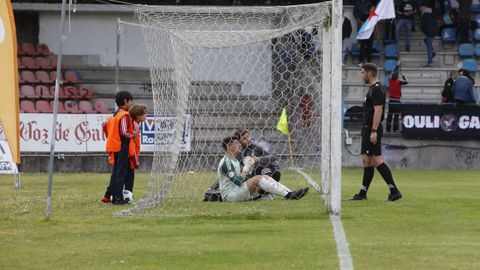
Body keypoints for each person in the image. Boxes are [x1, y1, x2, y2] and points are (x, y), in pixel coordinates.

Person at [351, 63, 403, 201]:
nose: (361, 76)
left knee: (376, 160)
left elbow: (378, 111)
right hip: (368, 128)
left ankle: (394, 191)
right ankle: (362, 193)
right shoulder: (372, 89)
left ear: (369, 73)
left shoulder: (377, 89)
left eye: (362, 73)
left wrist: (373, 130)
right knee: (367, 161)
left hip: (371, 129)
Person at [218, 136, 309, 202]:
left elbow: (247, 176)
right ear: (229, 146)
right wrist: (246, 168)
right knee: (257, 178)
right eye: (236, 143)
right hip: (229, 195)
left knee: (265, 176)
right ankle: (288, 195)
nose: (239, 145)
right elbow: (238, 182)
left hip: (237, 190)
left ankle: (291, 193)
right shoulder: (226, 162)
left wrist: (250, 166)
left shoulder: (235, 161)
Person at [100, 90, 136, 205]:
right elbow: (125, 132)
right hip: (121, 146)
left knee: (116, 173)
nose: (131, 104)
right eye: (131, 102)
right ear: (125, 101)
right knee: (121, 173)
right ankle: (118, 198)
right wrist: (133, 134)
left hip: (114, 146)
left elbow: (105, 127)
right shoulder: (124, 115)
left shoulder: (114, 114)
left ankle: (112, 196)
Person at [386, 61, 408, 132]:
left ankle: (388, 129)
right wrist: (403, 75)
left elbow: (392, 72)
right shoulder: (398, 82)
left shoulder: (390, 81)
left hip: (391, 101)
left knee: (389, 115)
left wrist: (397, 66)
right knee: (396, 116)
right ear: (397, 77)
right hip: (397, 101)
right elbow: (406, 81)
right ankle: (395, 129)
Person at [354, 0, 374, 66]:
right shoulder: (365, 15)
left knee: (369, 48)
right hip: (364, 35)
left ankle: (368, 62)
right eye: (372, 8)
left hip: (371, 35)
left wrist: (377, 34)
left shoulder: (374, 16)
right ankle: (361, 62)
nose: (373, 9)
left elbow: (375, 26)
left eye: (374, 8)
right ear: (369, 9)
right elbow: (361, 24)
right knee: (362, 48)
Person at [419, 2, 438, 67]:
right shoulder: (433, 12)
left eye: (421, 7)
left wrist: (425, 31)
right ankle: (433, 51)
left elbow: (423, 26)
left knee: (429, 47)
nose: (420, 9)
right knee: (425, 41)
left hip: (429, 32)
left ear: (424, 7)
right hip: (433, 31)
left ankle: (430, 62)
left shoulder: (424, 14)